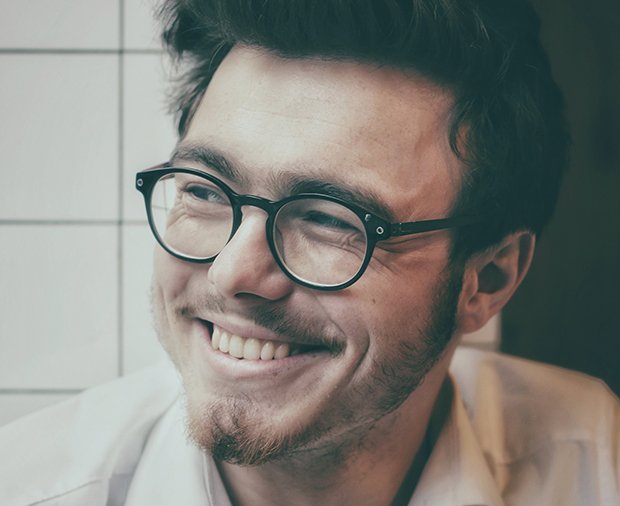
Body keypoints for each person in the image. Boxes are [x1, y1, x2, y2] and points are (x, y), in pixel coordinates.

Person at [2, 0, 619, 504]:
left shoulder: (598, 467)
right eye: (203, 191)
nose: (234, 271)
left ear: (486, 278)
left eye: (330, 219)